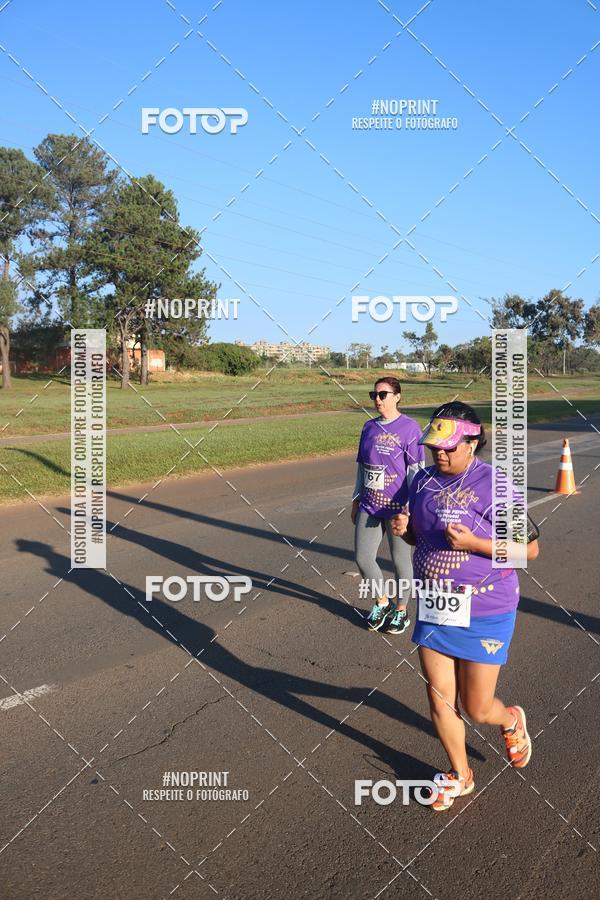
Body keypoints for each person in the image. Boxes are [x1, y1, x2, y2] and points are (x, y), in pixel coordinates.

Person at [391, 401, 539, 811]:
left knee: (476, 708)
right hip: (436, 606)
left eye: (449, 447)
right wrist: (404, 531)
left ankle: (509, 720)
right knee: (439, 698)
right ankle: (461, 775)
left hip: (486, 608)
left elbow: (529, 550)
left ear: (472, 443)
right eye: (434, 447)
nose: (439, 454)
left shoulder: (496, 484)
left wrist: (476, 544)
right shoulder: (420, 482)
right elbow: (419, 540)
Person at [351, 377, 425, 634]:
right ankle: (382, 602)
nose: (378, 399)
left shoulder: (410, 428)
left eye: (384, 394)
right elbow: (363, 467)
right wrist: (356, 498)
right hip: (369, 505)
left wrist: (411, 507)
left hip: (399, 508)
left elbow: (416, 471)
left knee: (400, 561)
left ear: (397, 396)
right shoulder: (368, 427)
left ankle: (402, 611)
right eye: (374, 394)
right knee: (363, 557)